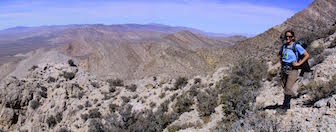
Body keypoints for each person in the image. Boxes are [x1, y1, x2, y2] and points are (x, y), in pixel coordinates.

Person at [278, 30, 309, 111]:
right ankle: (286, 103)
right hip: (284, 68)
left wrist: (299, 64)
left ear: (293, 38)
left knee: (288, 87)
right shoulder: (284, 46)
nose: (287, 38)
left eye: (289, 37)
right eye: (286, 36)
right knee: (284, 87)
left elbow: (306, 55)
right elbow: (280, 55)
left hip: (293, 69)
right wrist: (281, 64)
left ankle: (286, 106)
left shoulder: (296, 46)